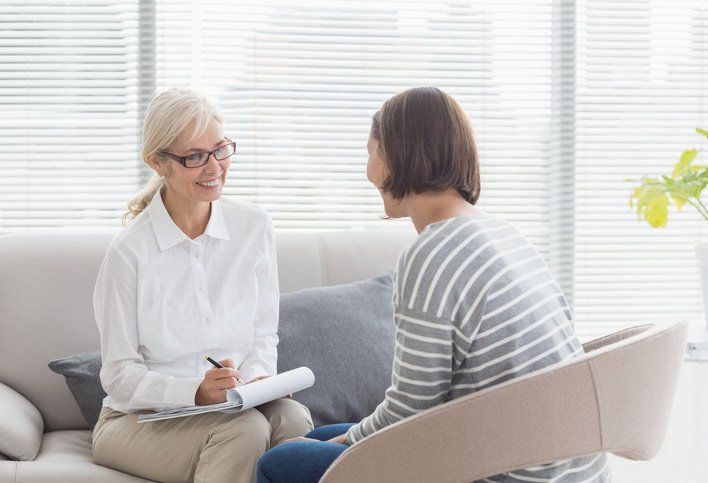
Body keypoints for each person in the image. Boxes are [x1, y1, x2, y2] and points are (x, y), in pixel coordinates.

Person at [256, 87, 609, 482]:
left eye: (370, 151)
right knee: (318, 437)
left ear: (397, 155)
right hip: (566, 465)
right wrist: (332, 443)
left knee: (278, 463)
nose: (367, 170)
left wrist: (338, 448)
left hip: (502, 470)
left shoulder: (432, 256)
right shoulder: (505, 233)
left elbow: (410, 410)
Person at [91, 87, 313, 483]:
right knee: (245, 431)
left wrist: (260, 379)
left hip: (232, 405)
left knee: (291, 418)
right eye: (194, 157)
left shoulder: (254, 227)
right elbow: (119, 375)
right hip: (138, 421)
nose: (214, 168)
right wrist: (195, 392)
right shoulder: (129, 253)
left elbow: (263, 333)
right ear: (158, 162)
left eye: (221, 149)